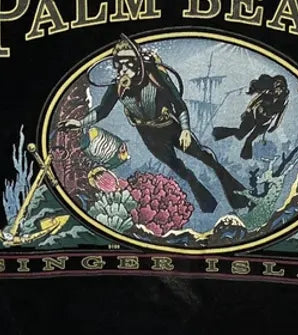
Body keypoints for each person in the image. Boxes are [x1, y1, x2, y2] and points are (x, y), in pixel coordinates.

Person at [63, 36, 249, 213]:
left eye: (128, 63)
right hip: (149, 135)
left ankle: (237, 193)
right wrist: (80, 123)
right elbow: (103, 110)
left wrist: (185, 130)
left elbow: (179, 104)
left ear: (137, 62)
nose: (123, 69)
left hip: (171, 127)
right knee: (179, 169)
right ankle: (207, 202)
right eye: (119, 65)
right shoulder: (117, 86)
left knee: (204, 156)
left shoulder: (155, 75)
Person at [212, 73, 289, 159]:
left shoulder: (284, 100)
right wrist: (247, 111)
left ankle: (245, 156)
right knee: (240, 135)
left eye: (280, 88)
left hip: (265, 123)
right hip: (253, 115)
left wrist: (275, 126)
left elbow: (281, 114)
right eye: (276, 86)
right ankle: (218, 133)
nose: (278, 90)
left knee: (250, 139)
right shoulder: (267, 92)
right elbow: (254, 101)